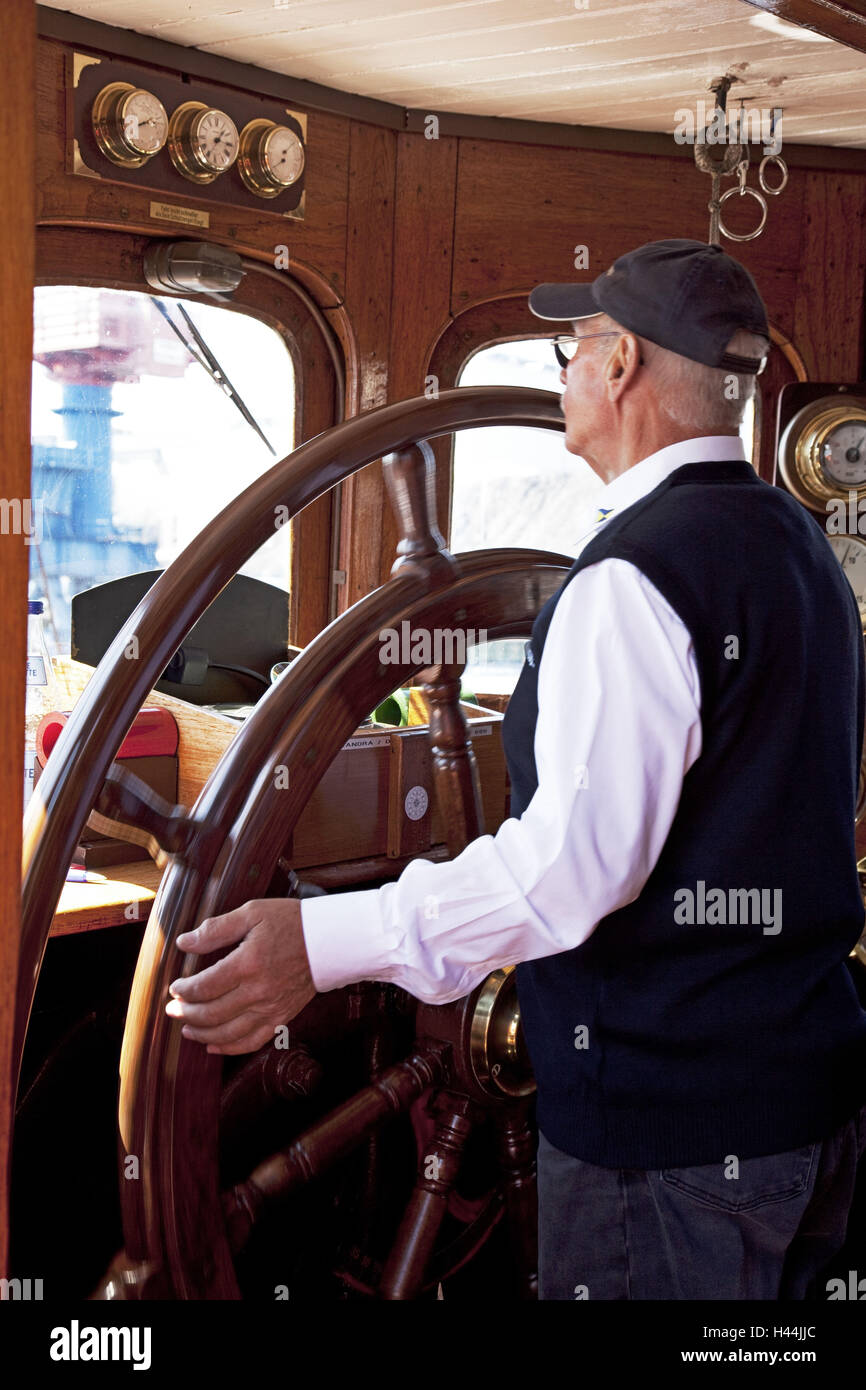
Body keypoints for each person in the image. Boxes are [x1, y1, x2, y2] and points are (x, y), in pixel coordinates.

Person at [165, 239, 866, 1300]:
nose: (563, 368)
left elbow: (563, 879)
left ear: (621, 361)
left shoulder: (632, 579)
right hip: (806, 1106)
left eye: (572, 344)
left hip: (667, 1146)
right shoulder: (796, 545)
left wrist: (319, 939)